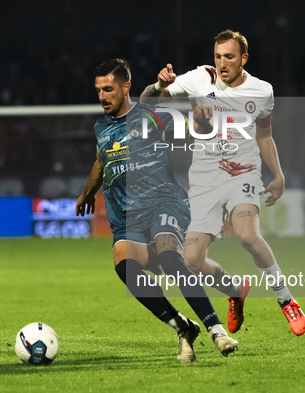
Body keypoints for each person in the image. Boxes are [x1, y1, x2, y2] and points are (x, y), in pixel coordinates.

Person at [140, 30, 305, 336]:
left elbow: (264, 136)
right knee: (190, 261)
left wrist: (278, 175)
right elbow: (150, 102)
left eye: (229, 57)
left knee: (247, 236)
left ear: (244, 58)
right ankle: (235, 290)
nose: (221, 63)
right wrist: (161, 85)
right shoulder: (200, 78)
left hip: (242, 174)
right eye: (218, 56)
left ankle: (286, 299)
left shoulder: (262, 91)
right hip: (204, 180)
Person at [76, 58, 238, 363]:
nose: (101, 96)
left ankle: (217, 330)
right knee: (125, 266)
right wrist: (87, 192)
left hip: (163, 201)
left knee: (169, 255)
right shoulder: (102, 127)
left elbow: (190, 133)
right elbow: (101, 160)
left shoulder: (152, 115)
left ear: (126, 88)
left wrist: (201, 124)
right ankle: (182, 327)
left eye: (108, 89)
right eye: (98, 90)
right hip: (126, 215)